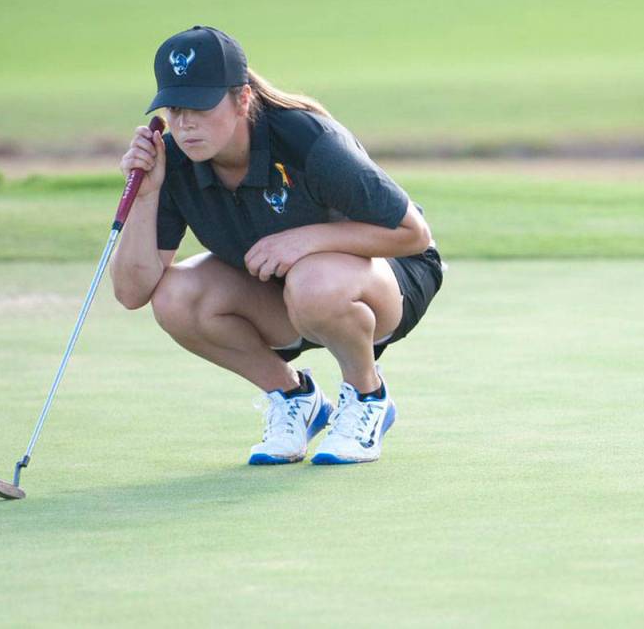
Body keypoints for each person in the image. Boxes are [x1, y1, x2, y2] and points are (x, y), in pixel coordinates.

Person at [110, 25, 443, 465]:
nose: (186, 123)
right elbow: (132, 293)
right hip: (280, 288)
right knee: (174, 296)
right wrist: (146, 197)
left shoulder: (307, 140)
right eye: (175, 108)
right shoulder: (173, 164)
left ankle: (368, 397)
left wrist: (307, 239)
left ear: (241, 99)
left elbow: (413, 234)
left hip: (389, 276)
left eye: (201, 106)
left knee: (313, 280)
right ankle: (293, 397)